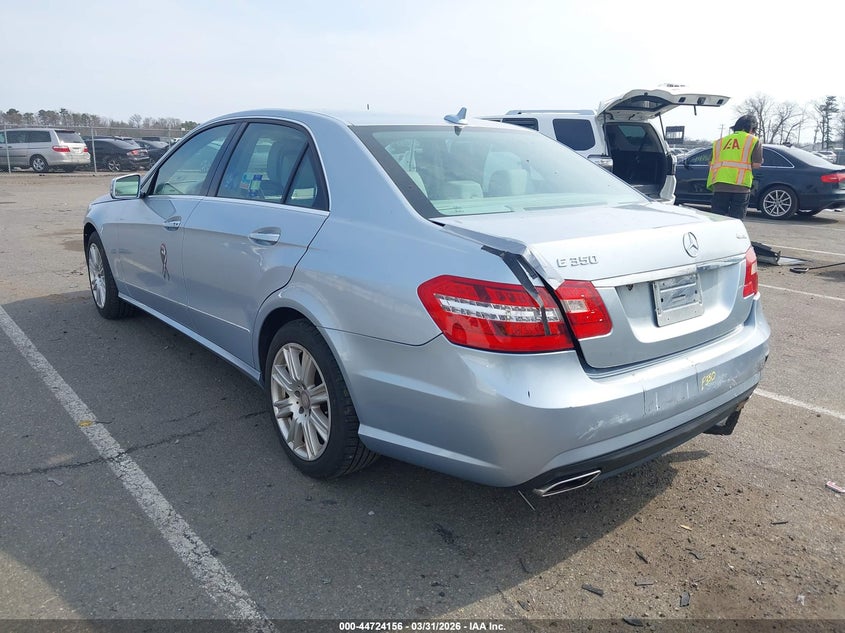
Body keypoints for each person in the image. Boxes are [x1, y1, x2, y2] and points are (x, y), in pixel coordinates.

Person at [706, 115, 763, 219]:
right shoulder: (753, 140)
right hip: (740, 186)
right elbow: (756, 164)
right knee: (736, 220)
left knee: (716, 218)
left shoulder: (720, 141)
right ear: (752, 128)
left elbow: (710, 163)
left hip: (719, 184)